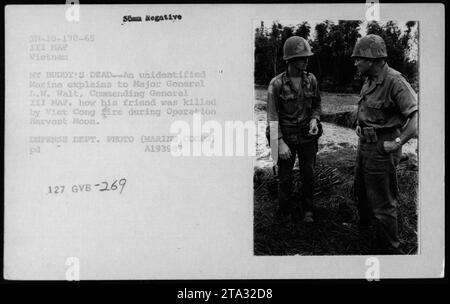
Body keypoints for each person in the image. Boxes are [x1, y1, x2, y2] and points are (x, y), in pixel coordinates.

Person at [351, 34, 418, 254]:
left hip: (383, 148)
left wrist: (397, 142)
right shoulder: (369, 78)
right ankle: (365, 232)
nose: (356, 62)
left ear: (370, 60)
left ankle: (390, 250)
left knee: (382, 203)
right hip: (365, 145)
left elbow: (416, 118)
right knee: (361, 191)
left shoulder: (395, 81)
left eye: (358, 58)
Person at [266, 36, 322, 223]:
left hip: (307, 137)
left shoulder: (311, 80)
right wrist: (280, 143)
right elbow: (272, 117)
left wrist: (314, 120)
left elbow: (316, 104)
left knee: (309, 174)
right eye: (302, 57)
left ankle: (308, 210)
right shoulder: (276, 84)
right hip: (286, 138)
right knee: (285, 178)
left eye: (307, 57)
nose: (306, 60)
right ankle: (285, 212)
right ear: (290, 60)